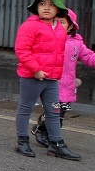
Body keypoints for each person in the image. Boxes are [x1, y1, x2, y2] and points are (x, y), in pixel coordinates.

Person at [13, 0, 79, 160]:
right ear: (37, 7)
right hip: (32, 77)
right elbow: (22, 50)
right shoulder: (29, 26)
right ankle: (22, 142)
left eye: (51, 5)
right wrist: (35, 69)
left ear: (59, 10)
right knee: (25, 108)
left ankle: (57, 144)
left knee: (54, 111)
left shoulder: (60, 29)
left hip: (52, 79)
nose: (47, 8)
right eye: (42, 4)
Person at [33, 9, 95, 151]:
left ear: (71, 26)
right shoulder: (48, 39)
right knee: (56, 112)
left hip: (68, 86)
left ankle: (43, 127)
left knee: (61, 113)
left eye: (62, 23)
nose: (58, 26)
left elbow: (88, 56)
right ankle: (45, 133)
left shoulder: (77, 43)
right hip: (51, 84)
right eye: (56, 22)